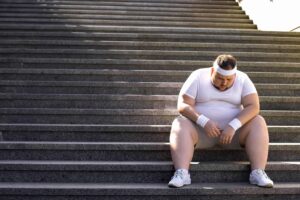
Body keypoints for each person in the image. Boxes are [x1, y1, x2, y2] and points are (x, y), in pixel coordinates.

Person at [168, 54, 274, 188]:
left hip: (233, 135)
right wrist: (203, 121)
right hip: (200, 133)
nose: (224, 83)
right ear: (212, 71)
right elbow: (183, 105)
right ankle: (181, 173)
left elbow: (253, 106)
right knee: (179, 123)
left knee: (258, 121)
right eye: (219, 78)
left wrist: (233, 125)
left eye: (229, 79)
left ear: (234, 75)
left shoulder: (243, 78)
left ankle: (258, 172)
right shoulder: (198, 76)